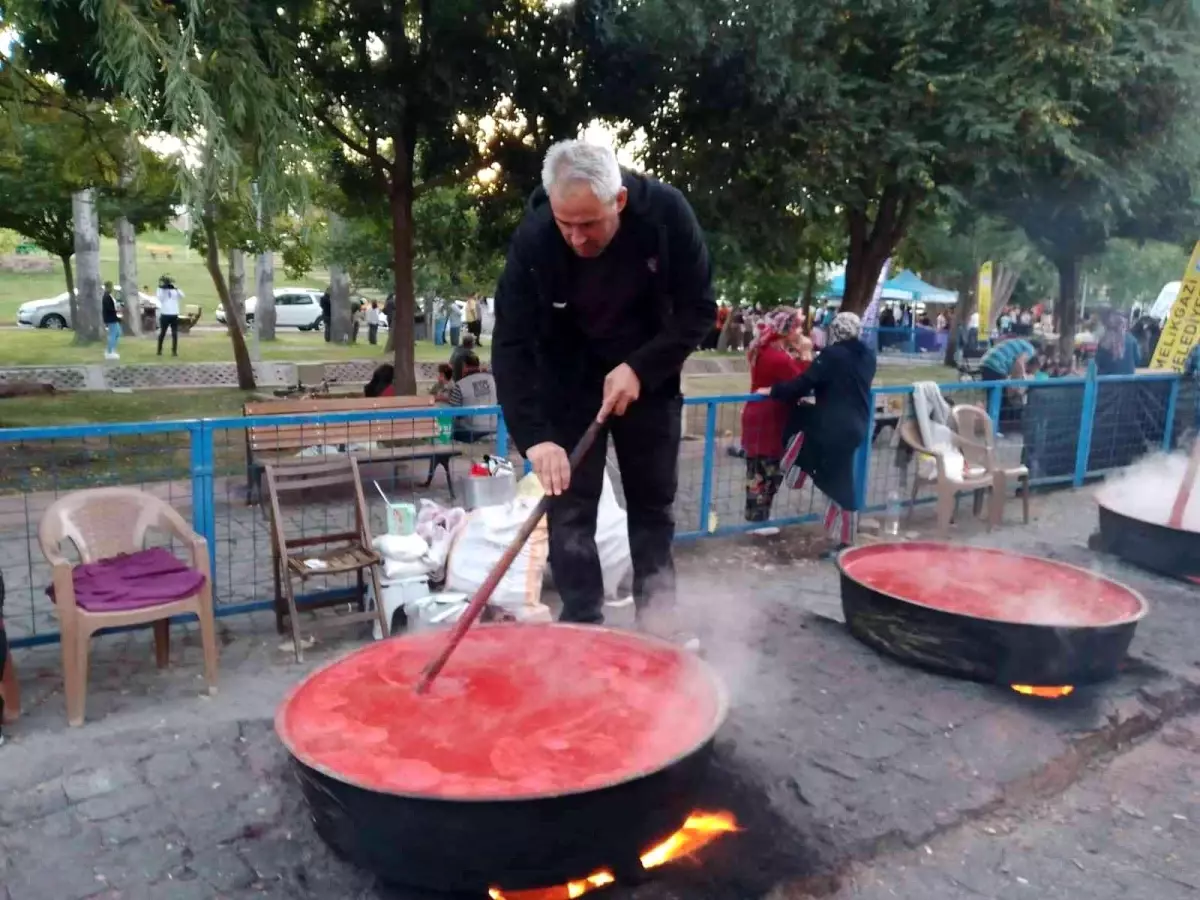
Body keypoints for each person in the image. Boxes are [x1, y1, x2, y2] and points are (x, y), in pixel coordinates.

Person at [492, 139, 715, 634]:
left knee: (652, 508)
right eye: (564, 223)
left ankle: (659, 626)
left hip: (648, 381)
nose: (576, 239)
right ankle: (582, 628)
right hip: (567, 385)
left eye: (589, 224)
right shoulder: (534, 239)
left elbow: (700, 309)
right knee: (570, 512)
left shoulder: (666, 216)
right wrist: (536, 437)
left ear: (619, 201)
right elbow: (510, 343)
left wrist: (640, 367)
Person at [764, 311, 876, 558]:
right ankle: (801, 471)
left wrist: (774, 390)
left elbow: (805, 382)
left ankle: (798, 469)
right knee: (839, 476)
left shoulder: (832, 355)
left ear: (835, 331)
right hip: (857, 424)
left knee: (838, 480)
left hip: (836, 427)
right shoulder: (867, 356)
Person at [742, 308, 811, 532]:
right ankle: (759, 520)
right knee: (767, 470)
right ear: (786, 329)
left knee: (757, 470)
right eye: (797, 326)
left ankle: (757, 518)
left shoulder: (764, 349)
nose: (801, 331)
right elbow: (801, 382)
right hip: (769, 419)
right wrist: (806, 354)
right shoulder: (778, 357)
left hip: (758, 414)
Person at [156, 275, 183, 357]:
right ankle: (159, 350)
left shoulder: (174, 290)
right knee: (162, 333)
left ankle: (174, 351)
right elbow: (160, 298)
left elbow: (182, 296)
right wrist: (163, 289)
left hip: (174, 314)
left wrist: (176, 289)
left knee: (174, 333)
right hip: (165, 313)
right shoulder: (160, 290)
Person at [102, 281, 120, 360]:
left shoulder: (108, 296)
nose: (112, 288)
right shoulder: (106, 297)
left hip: (112, 317)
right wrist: (116, 311)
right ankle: (109, 352)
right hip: (111, 318)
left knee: (118, 333)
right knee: (113, 334)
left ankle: (111, 349)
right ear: (107, 287)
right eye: (110, 287)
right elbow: (109, 309)